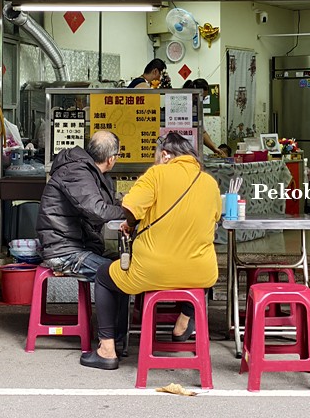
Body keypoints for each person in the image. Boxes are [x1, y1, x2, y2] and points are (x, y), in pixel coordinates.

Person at [80, 132, 221, 370]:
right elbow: (215, 217)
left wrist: (131, 225)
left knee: (104, 276)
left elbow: (131, 208)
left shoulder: (157, 174)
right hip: (200, 273)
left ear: (165, 155)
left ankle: (106, 349)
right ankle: (183, 322)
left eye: (158, 157)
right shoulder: (208, 182)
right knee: (203, 272)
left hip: (152, 272)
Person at [36, 130, 126, 280]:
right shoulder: (76, 171)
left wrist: (127, 205)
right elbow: (98, 210)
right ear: (111, 159)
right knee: (120, 275)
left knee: (128, 265)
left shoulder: (93, 173)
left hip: (79, 246)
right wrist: (129, 212)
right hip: (64, 252)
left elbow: (106, 206)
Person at [183, 78, 221, 155]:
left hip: (192, 151)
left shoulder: (198, 109)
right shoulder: (180, 107)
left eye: (203, 99)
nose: (201, 101)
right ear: (194, 93)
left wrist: (214, 148)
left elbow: (202, 132)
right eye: (201, 98)